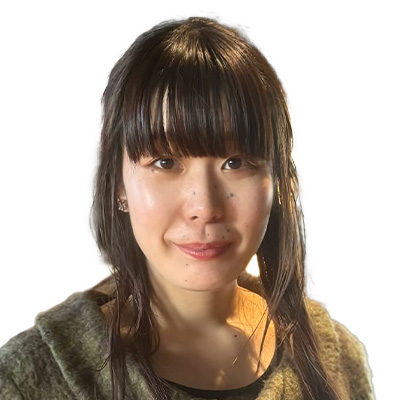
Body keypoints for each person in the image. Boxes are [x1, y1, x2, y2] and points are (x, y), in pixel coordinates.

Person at [0, 17, 374, 400]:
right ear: (118, 184)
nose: (204, 207)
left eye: (236, 162)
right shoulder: (31, 381)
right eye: (165, 162)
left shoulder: (336, 360)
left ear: (277, 180)